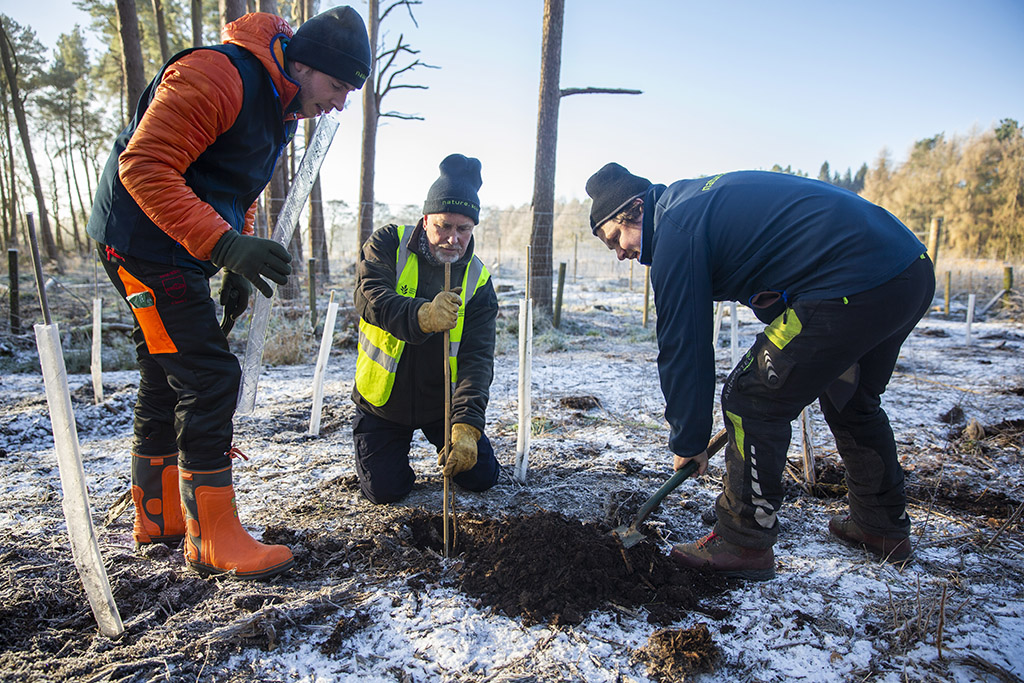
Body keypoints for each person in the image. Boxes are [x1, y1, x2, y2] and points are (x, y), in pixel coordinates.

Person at [86, 8, 371, 580]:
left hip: (176, 244)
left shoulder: (282, 107)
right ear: (306, 65)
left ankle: (159, 515)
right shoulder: (220, 75)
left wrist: (235, 254)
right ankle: (212, 537)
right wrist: (223, 246)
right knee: (209, 374)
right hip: (141, 239)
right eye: (338, 87)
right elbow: (143, 167)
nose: (339, 104)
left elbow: (236, 183)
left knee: (167, 368)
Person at [586, 164, 934, 580]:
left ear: (637, 209)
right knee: (851, 399)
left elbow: (684, 343)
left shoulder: (675, 229)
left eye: (616, 239)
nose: (621, 253)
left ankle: (743, 540)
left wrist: (689, 438)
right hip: (905, 270)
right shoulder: (692, 204)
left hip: (852, 281)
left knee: (749, 398)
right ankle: (881, 528)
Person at [352, 154, 500, 504]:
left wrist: (465, 425)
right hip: (382, 403)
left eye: (463, 229)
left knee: (481, 477)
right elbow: (369, 299)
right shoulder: (388, 244)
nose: (452, 239)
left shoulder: (478, 280)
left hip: (442, 405)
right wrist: (422, 316)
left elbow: (477, 359)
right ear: (425, 219)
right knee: (385, 492)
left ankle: (457, 437)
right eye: (444, 226)